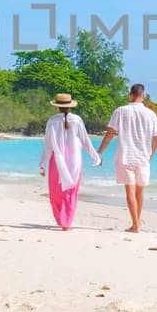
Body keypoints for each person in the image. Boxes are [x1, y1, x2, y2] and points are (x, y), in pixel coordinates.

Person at [96, 83, 157, 233]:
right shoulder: (150, 114)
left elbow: (110, 133)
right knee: (140, 192)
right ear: (143, 96)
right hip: (143, 158)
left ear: (130, 95)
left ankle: (135, 225)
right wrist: (150, 155)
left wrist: (100, 152)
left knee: (130, 192)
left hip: (125, 156)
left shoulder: (120, 111)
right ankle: (137, 222)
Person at [38, 93, 101, 230]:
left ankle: (60, 219)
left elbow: (48, 146)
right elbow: (85, 141)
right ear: (70, 106)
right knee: (71, 191)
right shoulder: (77, 120)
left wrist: (42, 164)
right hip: (75, 161)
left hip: (57, 161)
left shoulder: (52, 121)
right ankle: (66, 222)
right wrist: (96, 157)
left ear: (56, 107)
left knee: (55, 191)